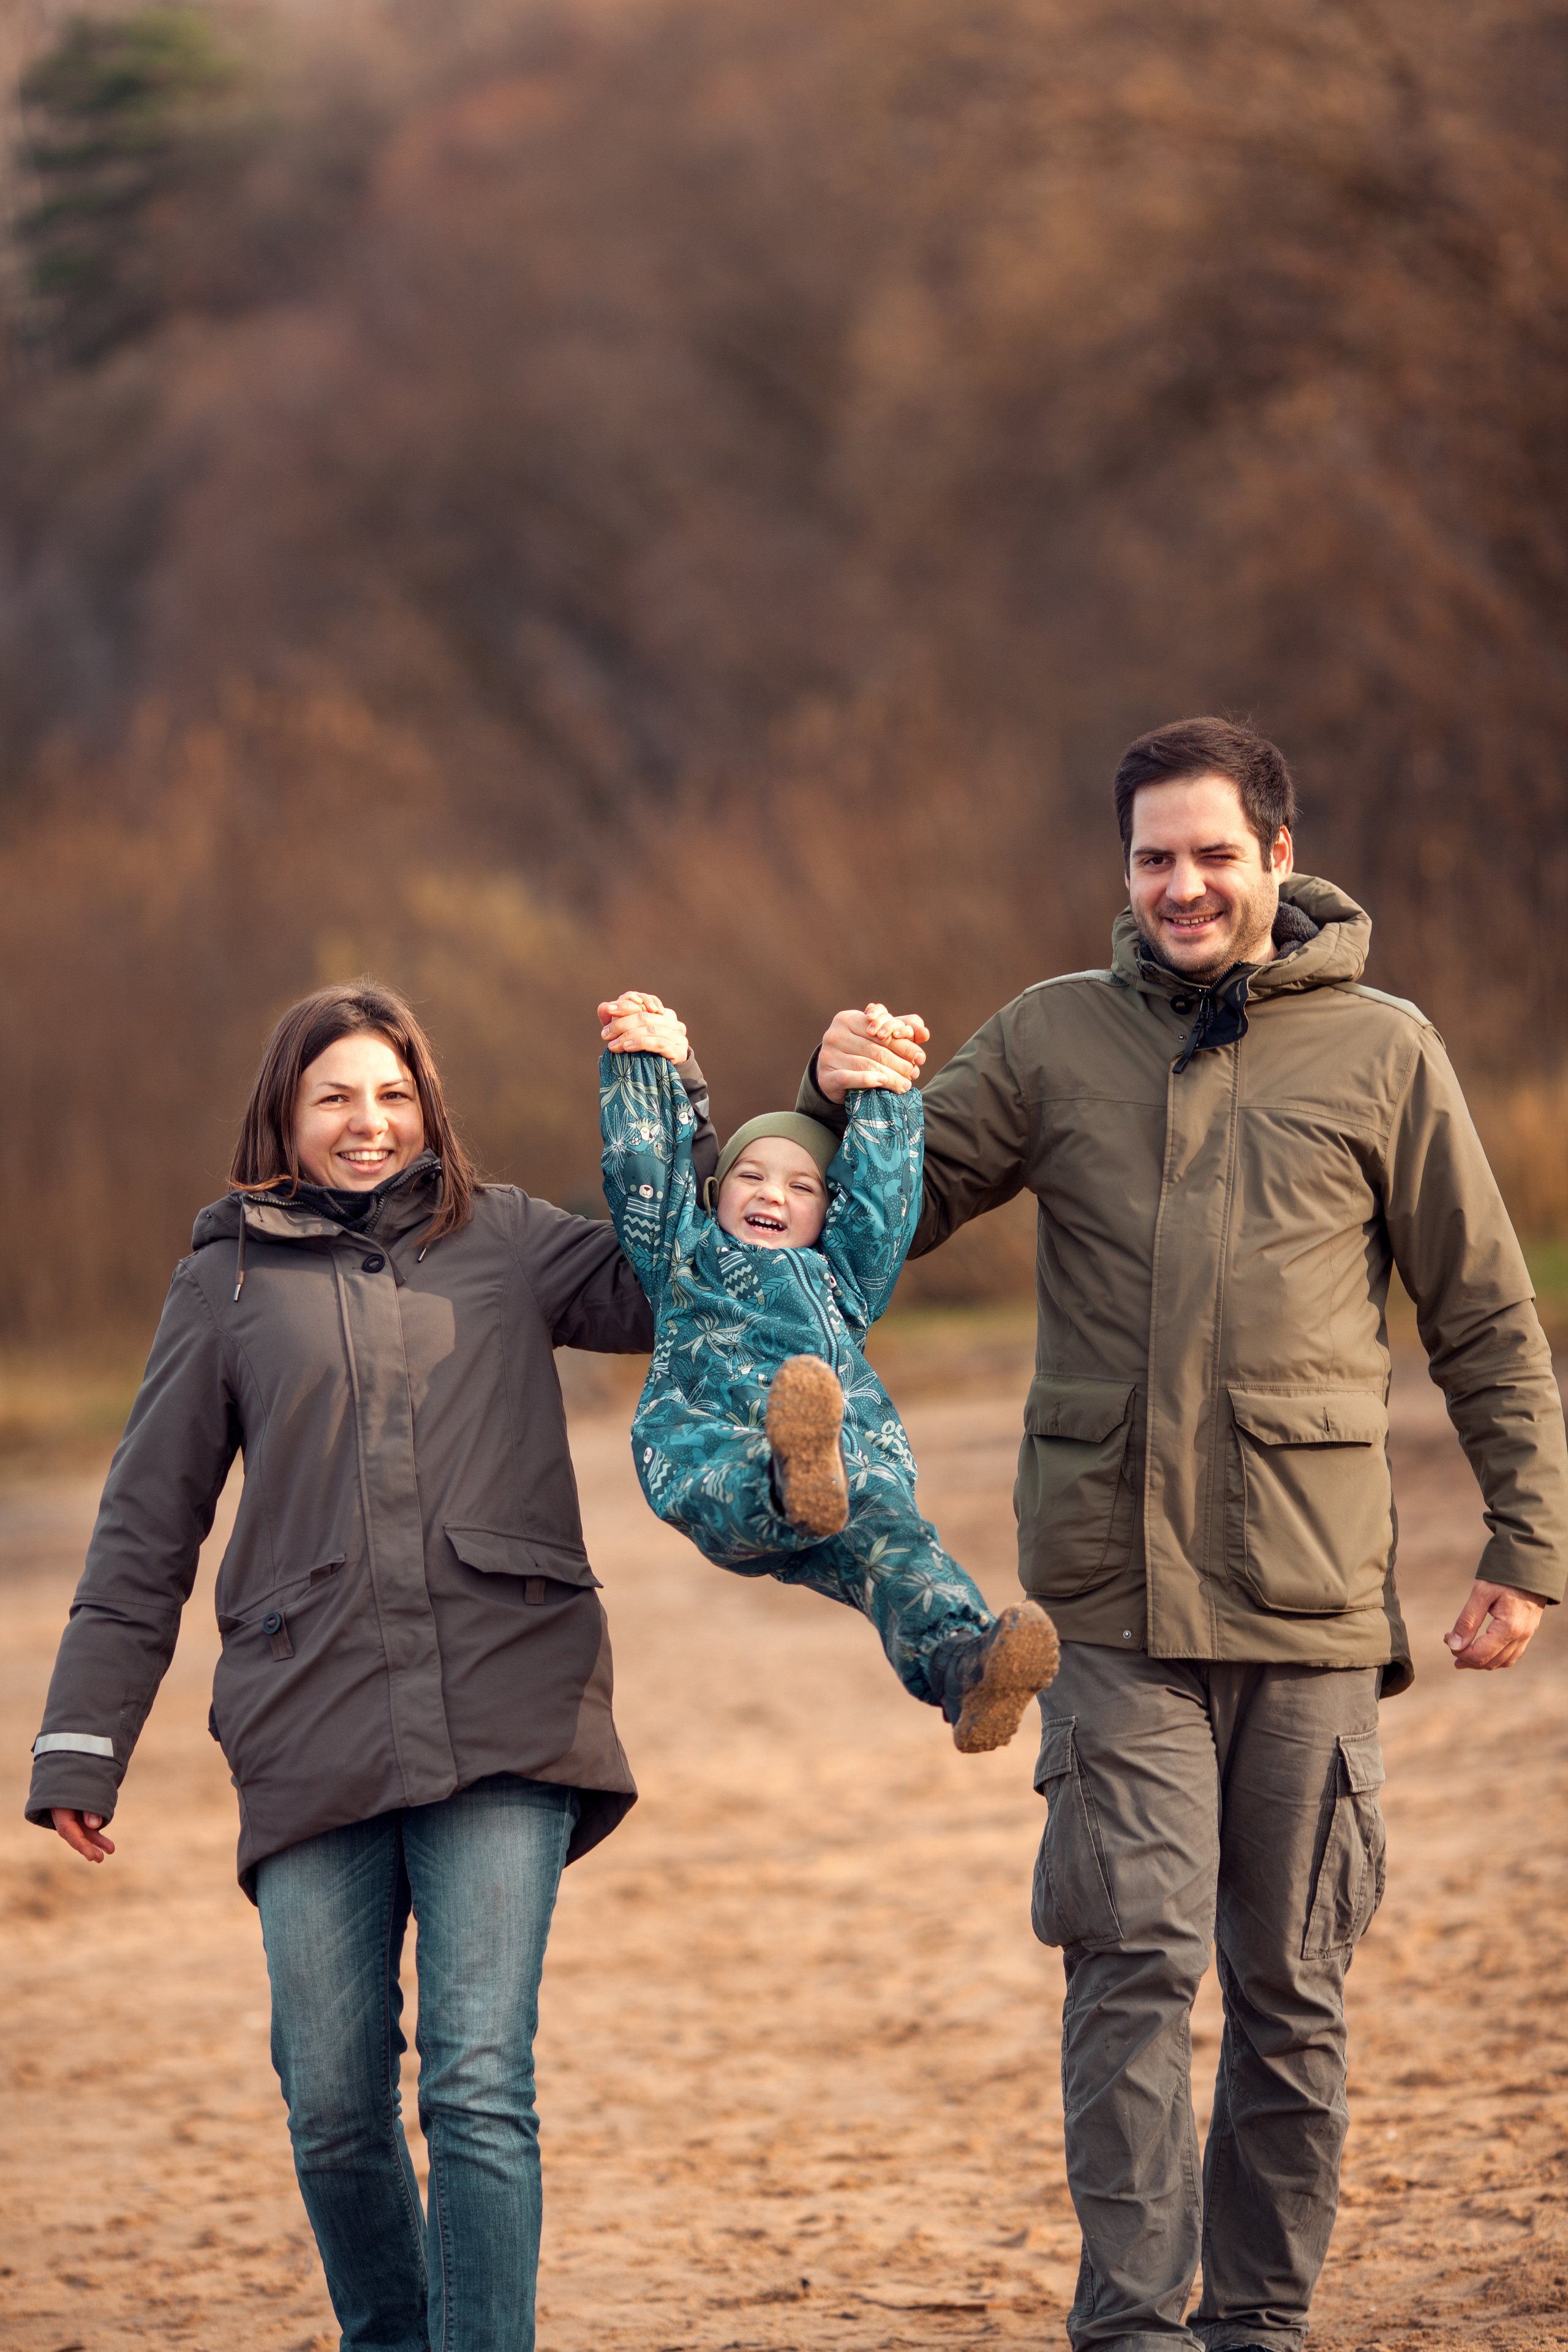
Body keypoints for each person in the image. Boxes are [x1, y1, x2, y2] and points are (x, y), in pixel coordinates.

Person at [795, 718, 1568, 2352]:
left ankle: (1259, 2330)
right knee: (1131, 1969)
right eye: (1155, 857)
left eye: (1214, 853)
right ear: (1124, 871)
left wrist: (1526, 1544)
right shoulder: (1051, 1041)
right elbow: (895, 1202)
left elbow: (1487, 1316)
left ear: (1279, 860)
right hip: (1113, 1605)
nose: (1184, 884)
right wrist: (836, 1099)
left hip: (1307, 1604)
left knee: (1294, 1997)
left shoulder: (1385, 1051)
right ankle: (1134, 2330)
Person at [26, 980, 716, 2352]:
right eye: (336, 1096)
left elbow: (670, 1281)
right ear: (284, 1112)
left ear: (430, 1107)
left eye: (394, 1095)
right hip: (308, 1717)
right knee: (333, 2101)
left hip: (508, 1703)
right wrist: (81, 1739)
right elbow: (146, 1527)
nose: (369, 1123)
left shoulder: (506, 1238)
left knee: (476, 2082)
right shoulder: (219, 1283)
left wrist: (669, 1101)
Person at [596, 989, 1060, 1751]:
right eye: (749, 1177)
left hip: (849, 1471)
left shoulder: (844, 1278)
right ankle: (785, 1476)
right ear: (715, 1197)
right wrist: (650, 1060)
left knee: (898, 1551)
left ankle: (964, 1666)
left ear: (826, 1211)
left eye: (801, 1184)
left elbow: (882, 1202)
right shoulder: (683, 1256)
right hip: (709, 1437)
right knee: (725, 1469)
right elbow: (646, 1170)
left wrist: (881, 1093)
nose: (771, 1192)